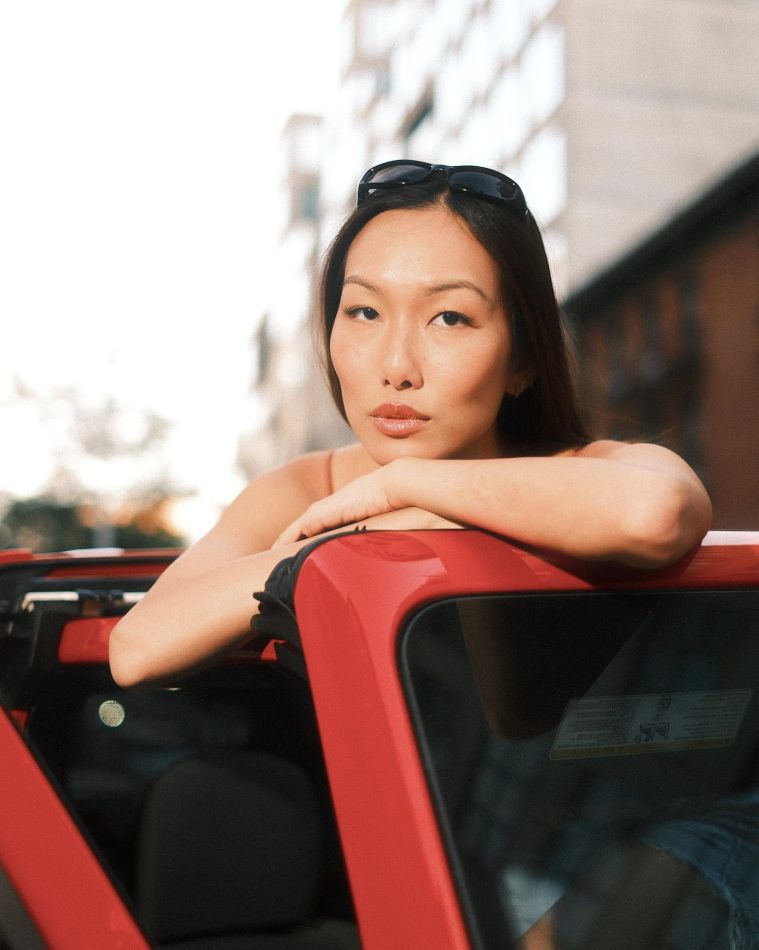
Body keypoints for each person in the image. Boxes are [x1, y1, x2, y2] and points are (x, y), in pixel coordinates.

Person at [108, 160, 711, 690]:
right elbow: (137, 650)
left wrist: (403, 487)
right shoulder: (308, 489)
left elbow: (655, 514)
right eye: (364, 311)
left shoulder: (590, 473)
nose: (396, 368)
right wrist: (345, 545)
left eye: (449, 318)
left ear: (523, 360)